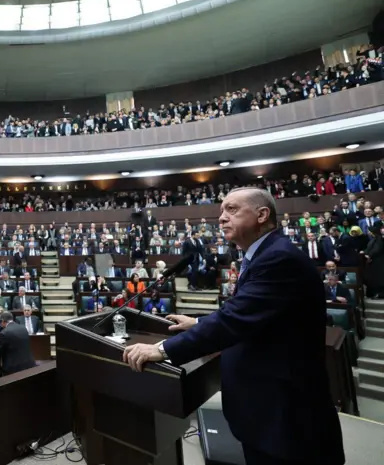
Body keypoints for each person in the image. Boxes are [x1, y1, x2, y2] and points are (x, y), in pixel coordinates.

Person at [123, 188, 343, 465]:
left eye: (232, 209)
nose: (222, 218)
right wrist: (199, 322)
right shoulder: (265, 253)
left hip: (285, 415)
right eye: (221, 211)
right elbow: (254, 313)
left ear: (262, 215)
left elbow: (236, 319)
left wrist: (163, 349)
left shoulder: (279, 258)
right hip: (269, 409)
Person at [0, 312, 36, 376]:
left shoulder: (4, 333)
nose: (0, 325)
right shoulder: (23, 328)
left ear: (3, 321)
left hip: (14, 370)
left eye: (0, 322)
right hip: (29, 366)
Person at [363, 226, 384, 299]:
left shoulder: (379, 239)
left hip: (378, 262)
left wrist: (369, 255)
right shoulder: (373, 239)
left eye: (369, 231)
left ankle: (379, 294)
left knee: (378, 278)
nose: (368, 232)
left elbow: (377, 249)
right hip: (373, 262)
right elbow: (368, 248)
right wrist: (365, 253)